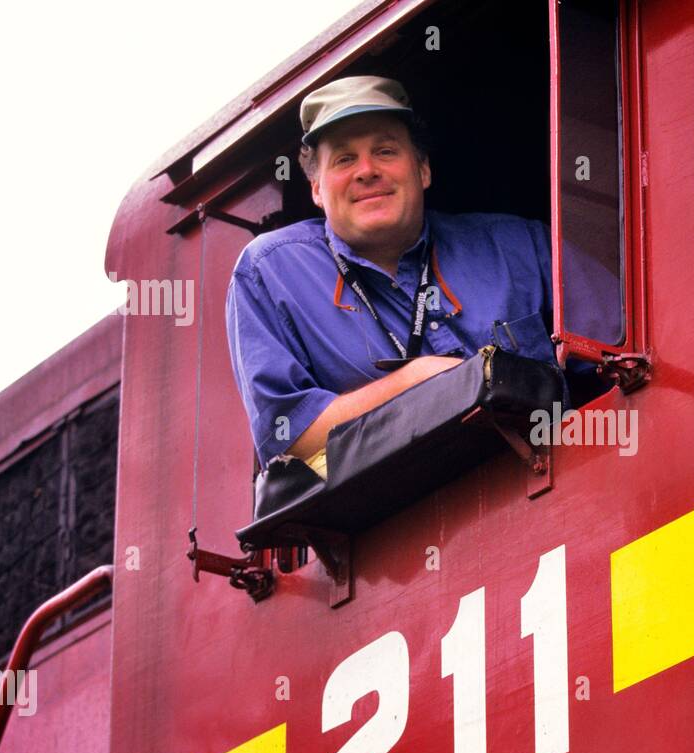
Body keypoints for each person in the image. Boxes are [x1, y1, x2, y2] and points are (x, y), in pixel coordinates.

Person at [225, 75, 561, 480]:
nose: (366, 171)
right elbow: (290, 441)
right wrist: (422, 380)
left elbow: (622, 352)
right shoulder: (268, 271)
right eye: (344, 159)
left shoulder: (523, 244)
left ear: (422, 170)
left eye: (385, 151)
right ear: (316, 188)